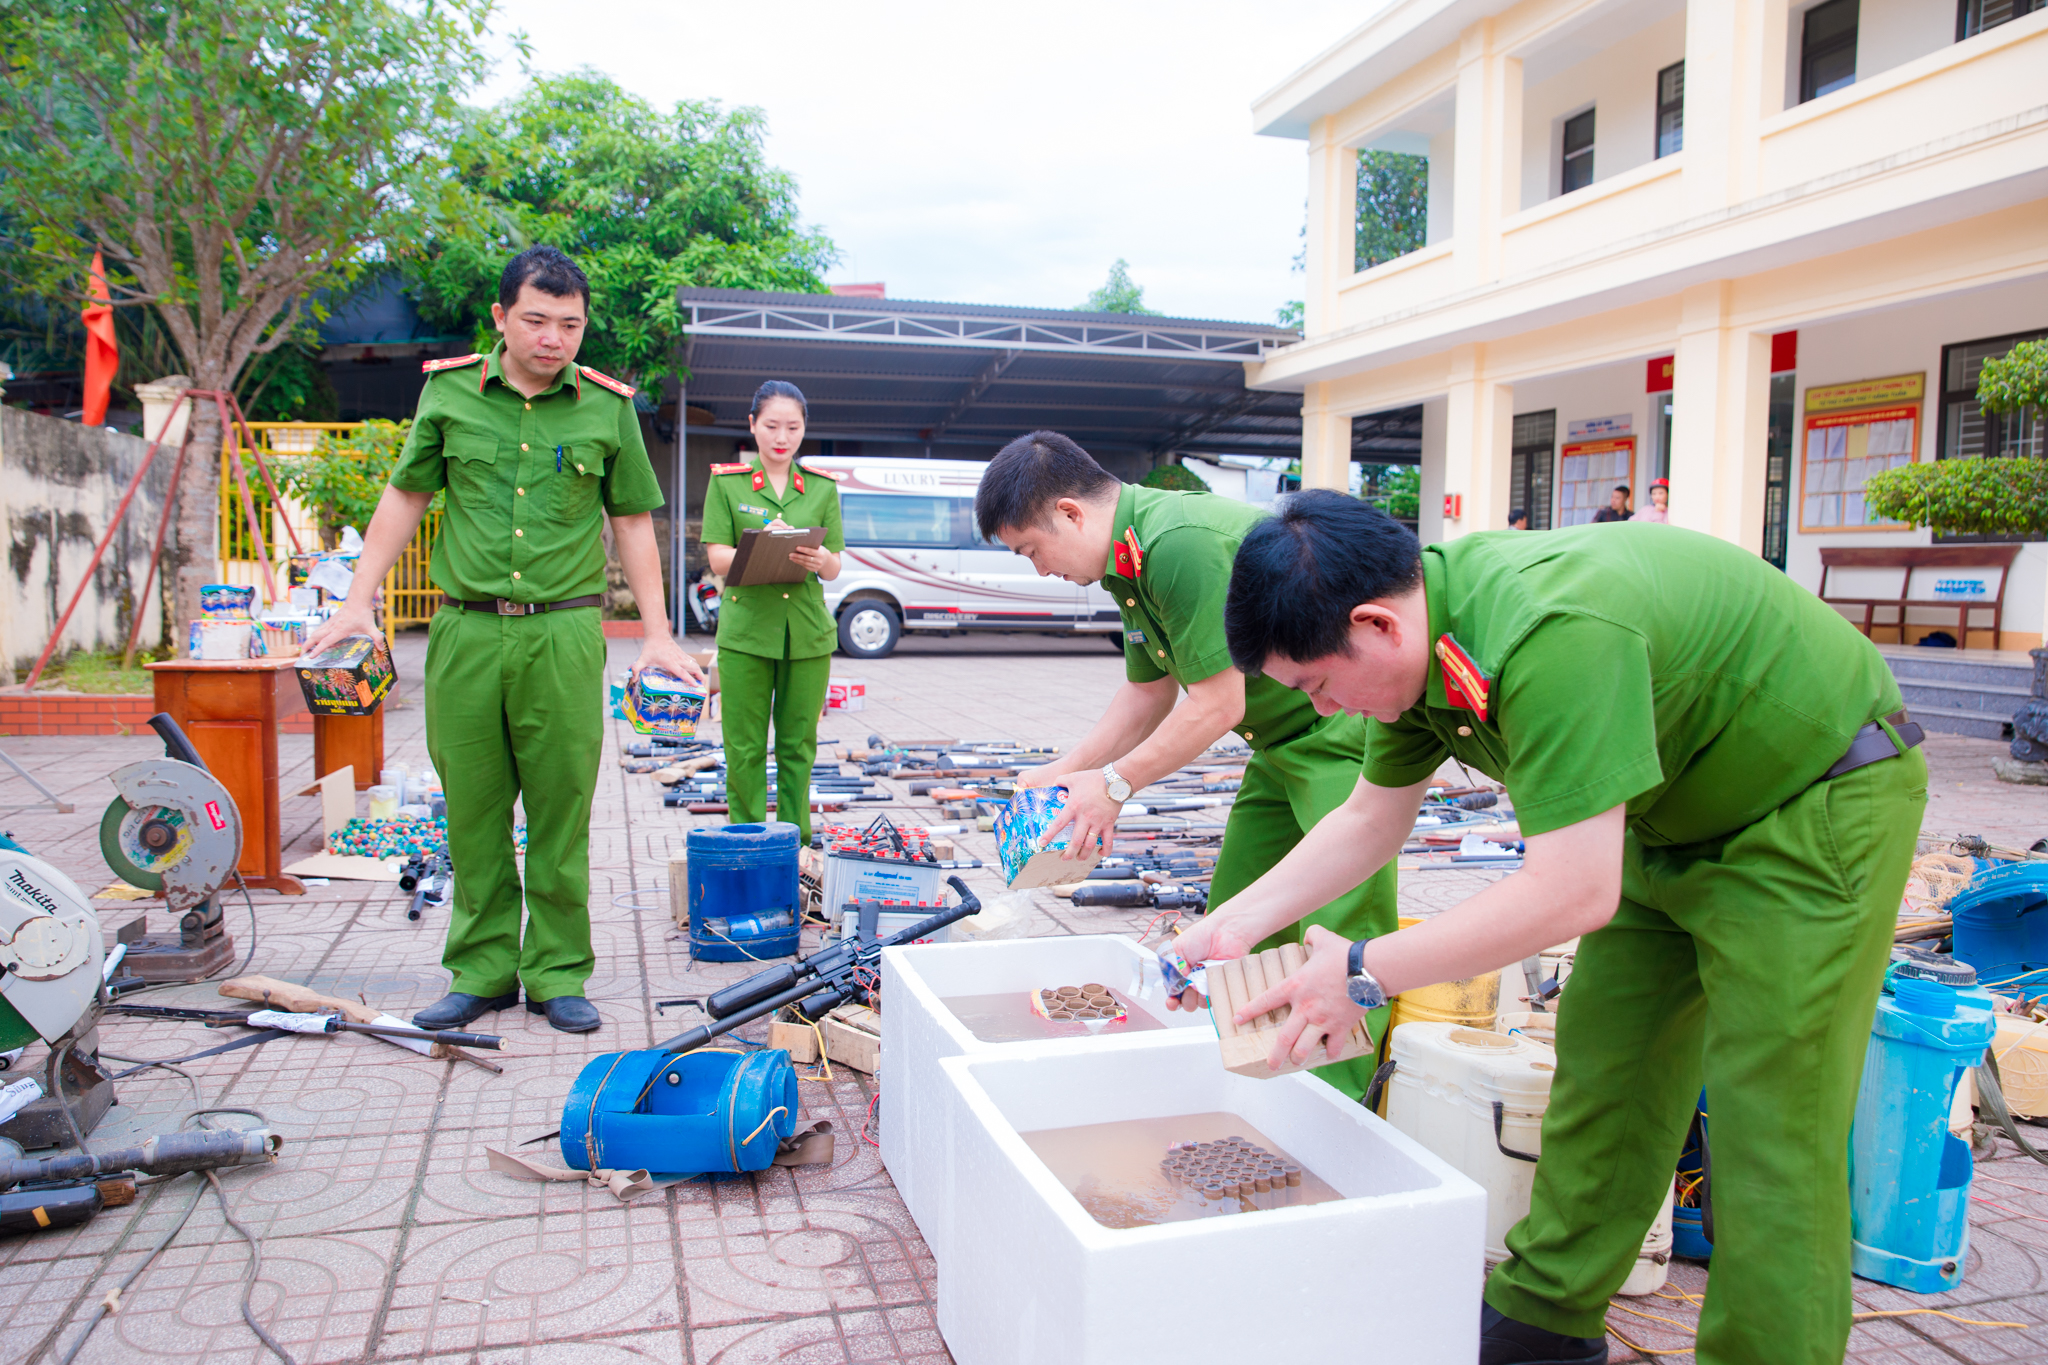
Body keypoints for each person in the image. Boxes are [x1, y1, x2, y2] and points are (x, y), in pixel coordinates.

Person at [1171, 490, 1923, 1365]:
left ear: (1374, 624)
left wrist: (1366, 968)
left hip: (1809, 802)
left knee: (1773, 1126)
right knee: (1608, 1073)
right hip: (1665, 818)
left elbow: (1571, 892)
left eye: (1317, 685)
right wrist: (1227, 927)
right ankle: (1545, 1318)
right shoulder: (1422, 648)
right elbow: (1370, 818)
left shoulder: (1548, 632)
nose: (1326, 710)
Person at [303, 246, 703, 1035]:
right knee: (474, 811)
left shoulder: (605, 405)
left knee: (561, 809)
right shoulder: (450, 392)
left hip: (562, 633)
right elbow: (406, 493)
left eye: (570, 324)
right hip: (464, 632)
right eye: (536, 320)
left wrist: (656, 632)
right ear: (500, 318)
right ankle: (481, 969)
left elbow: (630, 521)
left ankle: (557, 972)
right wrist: (357, 601)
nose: (554, 338)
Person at [974, 434, 1398, 1097]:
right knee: (1233, 921)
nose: (1039, 570)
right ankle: (1255, 1076)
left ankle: (1346, 1100)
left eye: (1032, 549)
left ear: (1070, 513)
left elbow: (1217, 702)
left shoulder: (1180, 543)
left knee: (1343, 920)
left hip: (1336, 729)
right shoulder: (1127, 565)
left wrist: (1114, 786)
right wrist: (1070, 768)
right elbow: (1149, 691)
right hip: (1278, 744)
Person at [700, 381, 844, 843]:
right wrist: (765, 543)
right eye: (772, 426)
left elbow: (835, 563)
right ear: (753, 426)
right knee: (742, 748)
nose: (782, 437)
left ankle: (794, 843)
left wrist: (820, 560)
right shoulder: (728, 482)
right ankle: (746, 842)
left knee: (798, 747)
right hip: (747, 633)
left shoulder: (821, 488)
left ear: (804, 429)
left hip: (805, 634)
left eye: (793, 427)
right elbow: (716, 557)